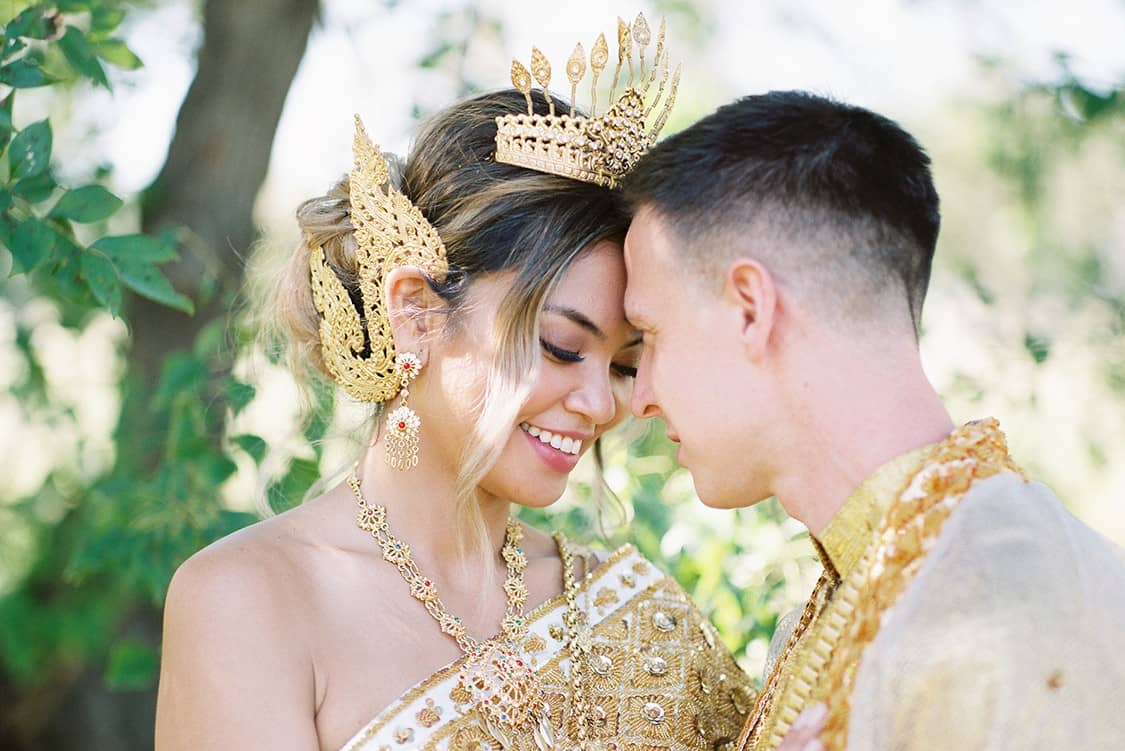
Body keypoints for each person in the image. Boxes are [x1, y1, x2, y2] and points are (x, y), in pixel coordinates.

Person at [154, 25, 755, 751]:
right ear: (415, 313)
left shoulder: (636, 612)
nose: (602, 405)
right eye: (562, 346)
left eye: (624, 364)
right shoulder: (250, 600)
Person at [620, 90, 1125, 751]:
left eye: (649, 334)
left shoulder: (1008, 604)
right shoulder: (850, 592)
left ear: (750, 308)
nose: (641, 397)